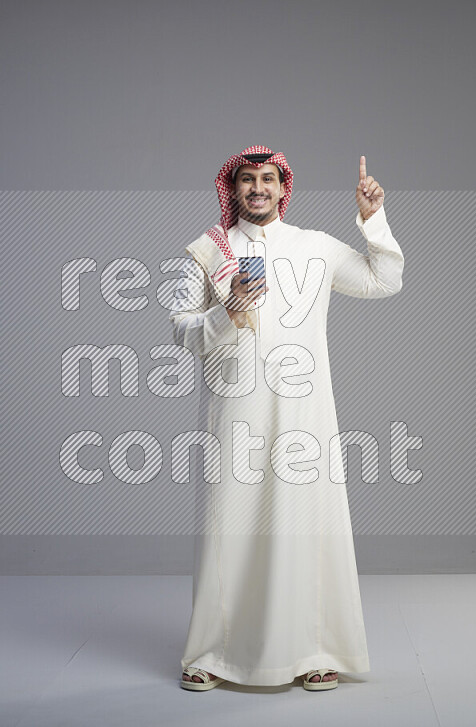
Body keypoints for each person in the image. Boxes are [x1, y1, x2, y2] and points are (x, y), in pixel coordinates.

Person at [170, 145, 405, 691]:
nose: (258, 188)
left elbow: (382, 281)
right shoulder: (209, 251)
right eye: (248, 180)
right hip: (235, 409)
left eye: (268, 179)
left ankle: (313, 650)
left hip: (305, 412)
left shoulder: (315, 247)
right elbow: (180, 331)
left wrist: (374, 219)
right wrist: (223, 315)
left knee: (305, 525)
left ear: (283, 187)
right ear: (232, 189)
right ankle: (210, 652)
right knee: (229, 527)